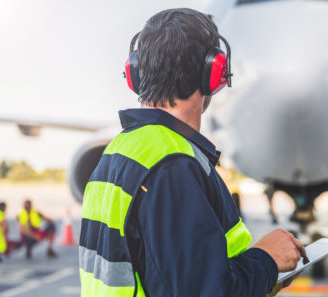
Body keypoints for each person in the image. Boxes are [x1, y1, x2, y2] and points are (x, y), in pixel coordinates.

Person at [79, 8, 306, 297]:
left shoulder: (119, 151)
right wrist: (267, 260)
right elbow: (207, 291)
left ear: (135, 73)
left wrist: (259, 279)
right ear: (215, 73)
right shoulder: (172, 167)